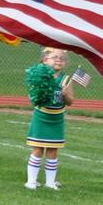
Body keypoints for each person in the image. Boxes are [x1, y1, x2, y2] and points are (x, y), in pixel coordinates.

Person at [24, 47, 75, 190]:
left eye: (62, 58)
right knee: (37, 149)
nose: (59, 60)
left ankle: (50, 183)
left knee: (53, 151)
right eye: (55, 57)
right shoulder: (39, 76)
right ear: (45, 60)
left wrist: (65, 94)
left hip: (57, 119)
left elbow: (70, 101)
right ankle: (31, 181)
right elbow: (33, 98)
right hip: (41, 117)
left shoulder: (66, 79)